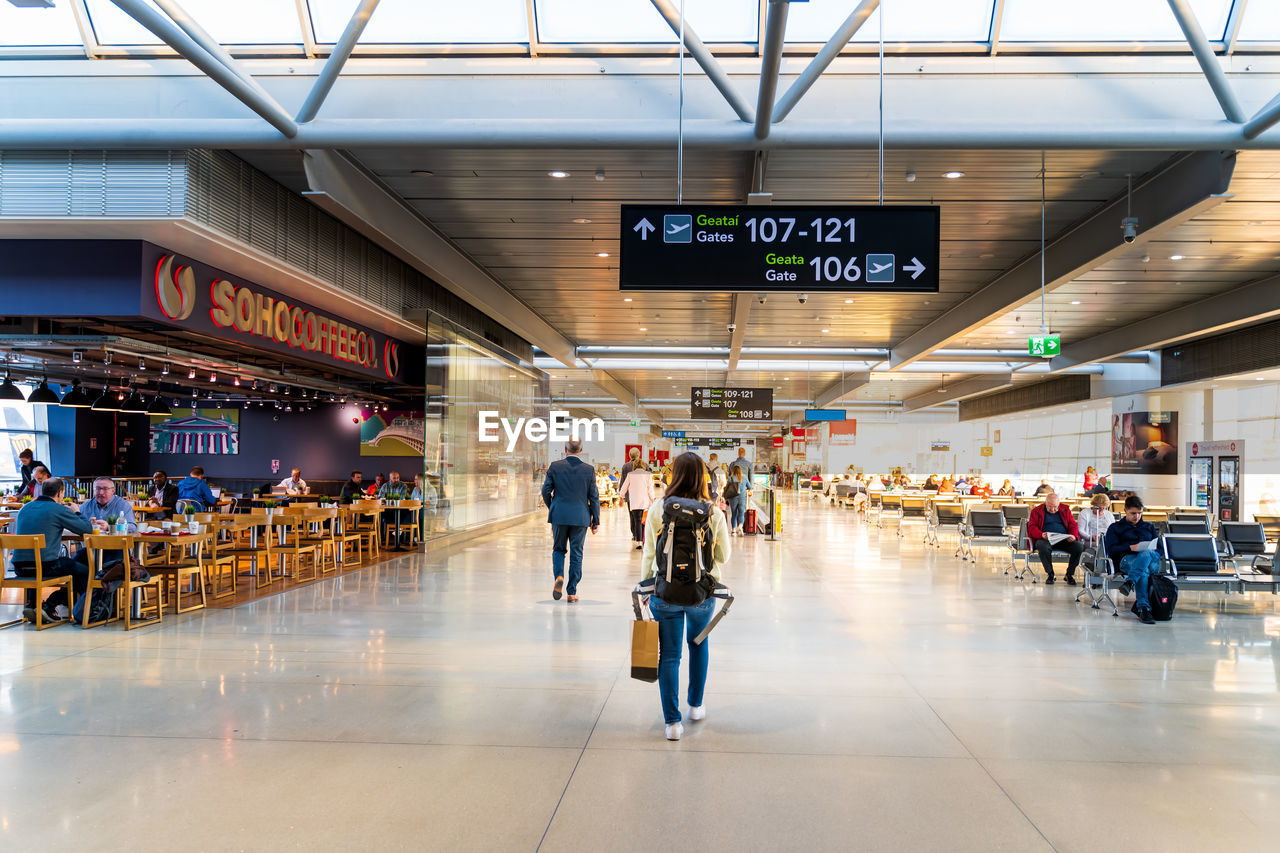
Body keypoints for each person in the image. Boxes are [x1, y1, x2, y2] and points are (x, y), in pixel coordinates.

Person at [640, 451, 731, 741]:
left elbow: (649, 553)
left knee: (669, 655)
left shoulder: (658, 508)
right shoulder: (712, 511)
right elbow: (723, 556)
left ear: (673, 475)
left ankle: (672, 724)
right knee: (698, 645)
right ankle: (695, 706)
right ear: (703, 477)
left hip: (664, 592)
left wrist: (645, 586)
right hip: (701, 593)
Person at [10, 478, 92, 624]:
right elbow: (86, 529)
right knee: (86, 571)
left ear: (42, 490)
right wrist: (77, 512)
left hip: (19, 567)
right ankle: (51, 605)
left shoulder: (24, 508)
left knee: (37, 559)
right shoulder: (57, 509)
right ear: (60, 493)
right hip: (45, 567)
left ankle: (32, 604)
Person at [541, 438, 600, 603]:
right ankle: (572, 591)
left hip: (559, 515)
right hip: (580, 517)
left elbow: (545, 490)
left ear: (565, 449)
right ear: (580, 450)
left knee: (559, 549)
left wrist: (553, 506)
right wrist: (596, 520)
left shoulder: (555, 466)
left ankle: (558, 576)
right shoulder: (588, 470)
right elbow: (594, 497)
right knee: (577, 553)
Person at [1103, 495, 1161, 624]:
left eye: (1139, 513)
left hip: (1152, 560)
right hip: (1127, 559)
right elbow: (1111, 549)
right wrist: (1130, 547)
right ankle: (1144, 608)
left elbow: (1160, 548)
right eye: (1133, 513)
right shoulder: (1115, 528)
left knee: (1146, 553)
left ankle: (1130, 583)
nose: (1137, 517)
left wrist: (1148, 551)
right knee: (1143, 571)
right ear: (1125, 510)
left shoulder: (1149, 527)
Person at [76, 476, 138, 569]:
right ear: (93, 490)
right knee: (75, 564)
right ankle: (89, 582)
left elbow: (132, 527)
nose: (101, 493)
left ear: (113, 491)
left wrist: (109, 527)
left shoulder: (122, 505)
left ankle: (102, 581)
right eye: (97, 489)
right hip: (91, 549)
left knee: (110, 569)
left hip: (116, 549)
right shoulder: (86, 506)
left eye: (105, 489)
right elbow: (77, 525)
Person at [1028, 491, 1084, 585]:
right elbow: (1031, 527)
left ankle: (1069, 574)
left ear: (1059, 504)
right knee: (1042, 546)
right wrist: (1041, 535)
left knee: (1078, 546)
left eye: (1055, 507)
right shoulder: (1036, 511)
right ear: (1046, 503)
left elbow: (1072, 525)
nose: (1053, 509)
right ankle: (1050, 574)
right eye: (1050, 506)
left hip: (1063, 539)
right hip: (1046, 539)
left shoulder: (1065, 509)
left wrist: (1073, 535)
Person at [619, 460, 653, 550]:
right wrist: (653, 499)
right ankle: (645, 540)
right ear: (643, 465)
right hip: (645, 502)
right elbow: (650, 489)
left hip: (634, 502)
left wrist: (621, 497)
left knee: (637, 521)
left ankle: (639, 542)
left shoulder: (630, 474)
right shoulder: (648, 475)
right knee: (644, 522)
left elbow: (624, 486)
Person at [378, 471, 414, 545]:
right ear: (390, 479)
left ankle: (401, 539)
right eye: (394, 478)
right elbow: (380, 498)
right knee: (380, 514)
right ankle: (382, 539)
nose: (396, 480)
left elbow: (401, 498)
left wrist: (388, 501)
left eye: (398, 478)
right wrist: (387, 501)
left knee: (407, 514)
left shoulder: (403, 485)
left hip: (401, 511)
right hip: (388, 511)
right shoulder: (385, 486)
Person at [725, 466, 748, 535]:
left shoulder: (730, 478)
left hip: (733, 498)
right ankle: (740, 526)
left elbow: (727, 488)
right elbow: (750, 486)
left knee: (734, 513)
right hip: (742, 497)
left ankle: (733, 530)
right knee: (741, 513)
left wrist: (725, 496)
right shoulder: (744, 477)